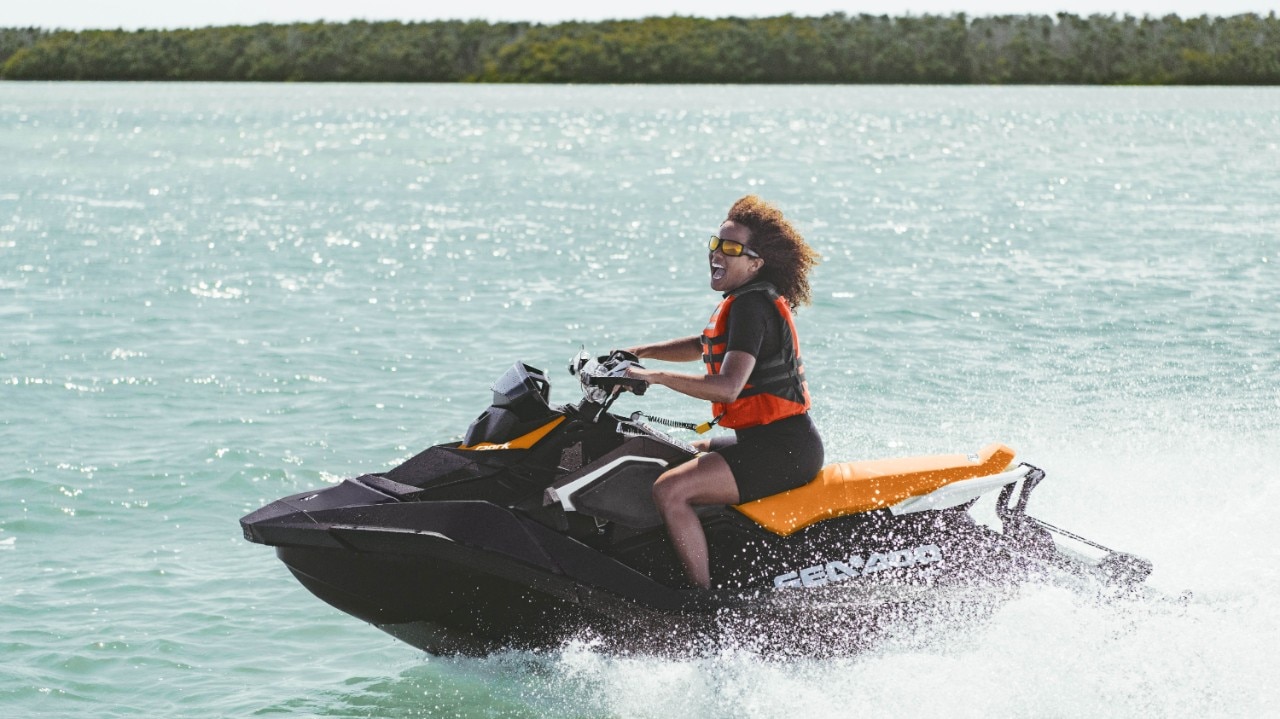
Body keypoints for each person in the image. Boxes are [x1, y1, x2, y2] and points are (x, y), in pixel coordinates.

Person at [623, 195, 823, 591]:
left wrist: (654, 376)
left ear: (755, 263)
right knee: (678, 451)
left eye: (731, 249)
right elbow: (701, 345)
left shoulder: (752, 306)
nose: (717, 254)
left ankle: (701, 597)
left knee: (671, 489)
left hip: (781, 449)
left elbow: (728, 388)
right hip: (770, 440)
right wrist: (637, 353)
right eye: (715, 244)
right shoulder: (744, 302)